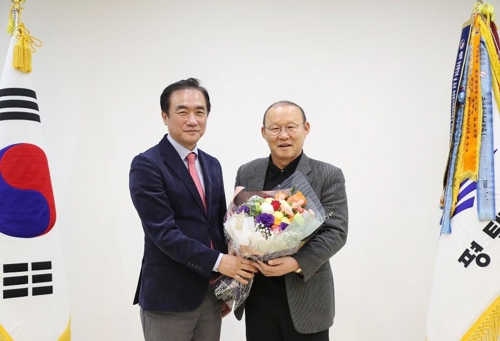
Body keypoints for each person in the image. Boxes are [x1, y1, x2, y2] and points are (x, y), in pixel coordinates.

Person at [129, 78, 257, 341]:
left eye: (200, 112)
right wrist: (222, 263)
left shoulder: (212, 164)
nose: (192, 120)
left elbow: (218, 227)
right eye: (182, 111)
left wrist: (226, 286)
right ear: (165, 116)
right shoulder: (147, 165)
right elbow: (164, 234)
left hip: (210, 295)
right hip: (169, 298)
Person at [234, 101, 348, 341]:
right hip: (259, 296)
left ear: (306, 128)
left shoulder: (328, 175)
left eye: (291, 127)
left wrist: (296, 261)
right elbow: (236, 222)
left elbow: (335, 232)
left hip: (307, 295)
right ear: (263, 132)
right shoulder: (247, 172)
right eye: (274, 128)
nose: (283, 135)